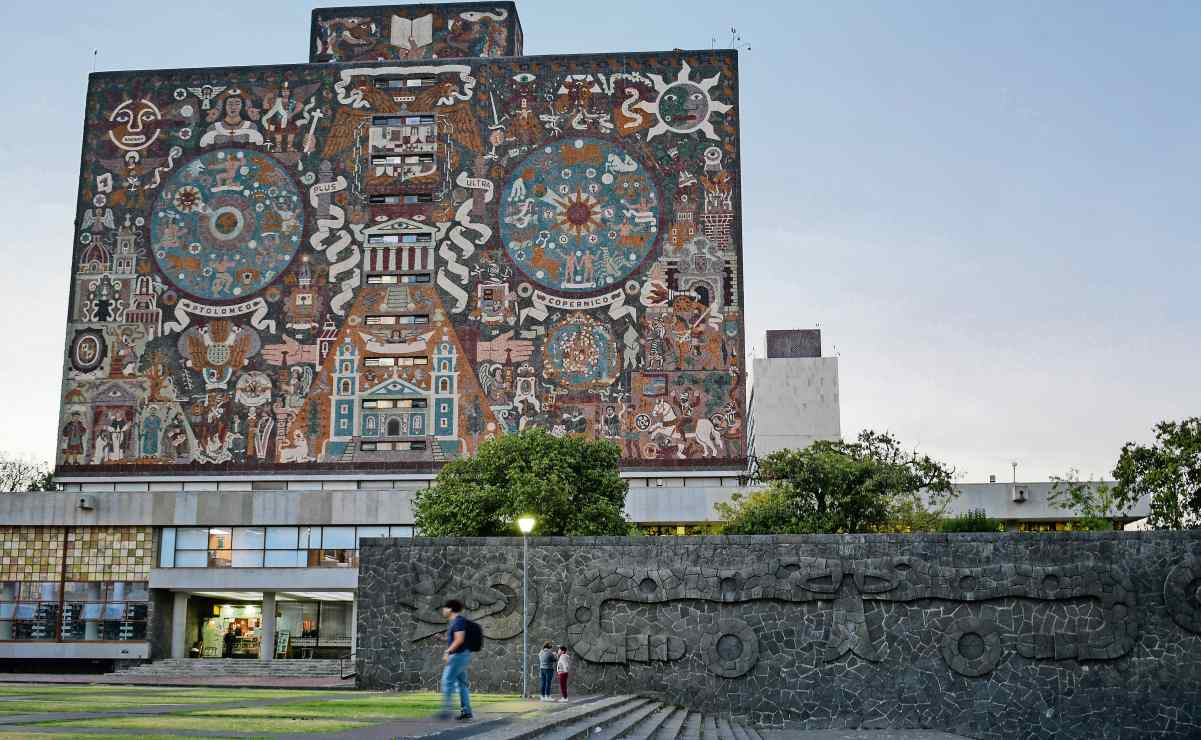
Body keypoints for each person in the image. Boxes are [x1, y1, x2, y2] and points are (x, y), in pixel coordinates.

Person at [437, 599, 473, 721]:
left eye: (444, 608)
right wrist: (443, 639)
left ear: (450, 609)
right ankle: (466, 711)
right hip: (461, 655)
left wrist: (448, 651)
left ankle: (446, 711)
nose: (443, 610)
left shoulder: (458, 621)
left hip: (458, 656)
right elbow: (454, 639)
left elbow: (459, 639)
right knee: (462, 684)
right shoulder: (455, 622)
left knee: (447, 681)